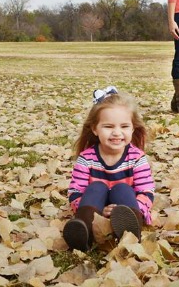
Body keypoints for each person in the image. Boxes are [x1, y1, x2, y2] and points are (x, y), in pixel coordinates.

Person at [63, 86, 155, 251]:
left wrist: (134, 210)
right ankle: (83, 231)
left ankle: (131, 229)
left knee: (123, 188)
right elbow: (76, 192)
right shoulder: (87, 158)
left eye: (124, 126)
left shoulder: (137, 158)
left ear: (133, 128)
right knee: (96, 187)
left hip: (127, 206)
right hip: (95, 210)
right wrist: (98, 215)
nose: (116, 133)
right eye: (108, 126)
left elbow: (146, 192)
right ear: (94, 129)